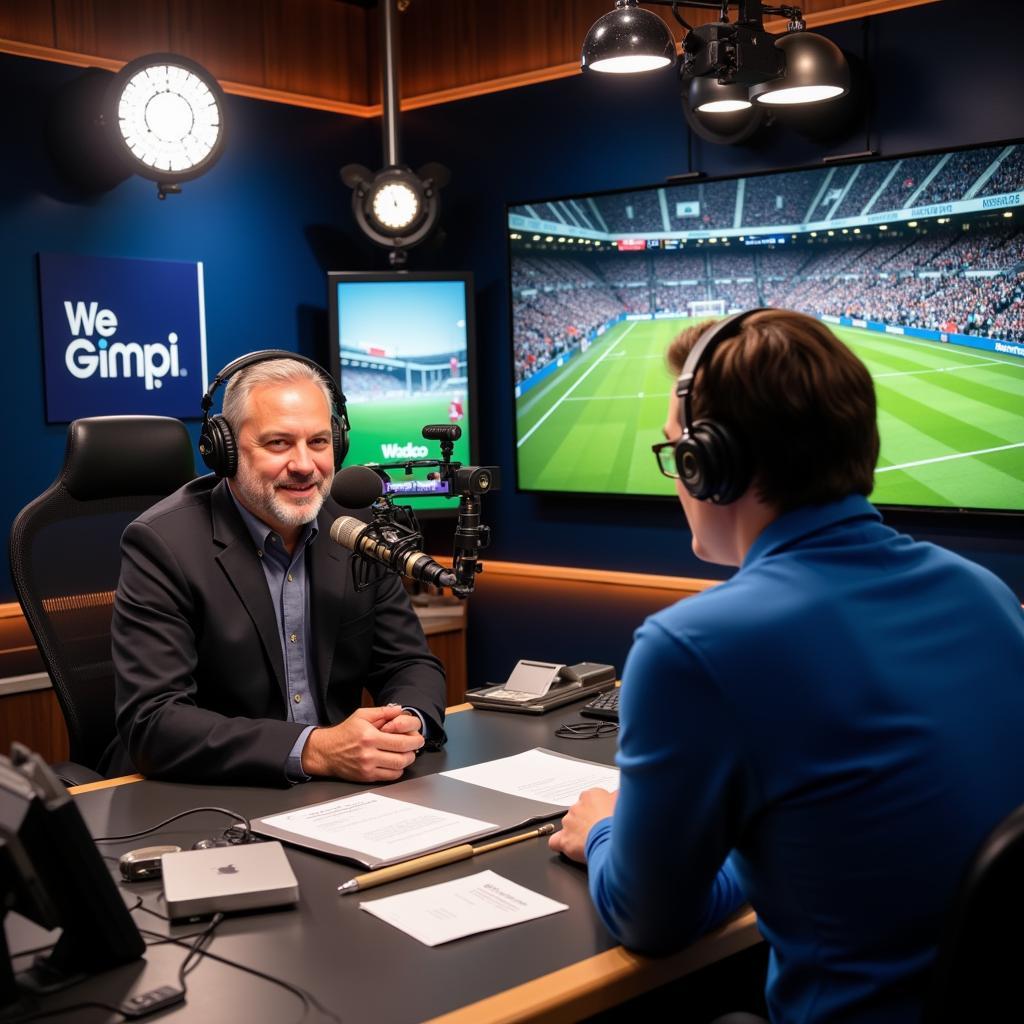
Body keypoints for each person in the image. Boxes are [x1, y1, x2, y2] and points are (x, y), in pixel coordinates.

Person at [550, 309, 1024, 1023]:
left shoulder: (695, 645)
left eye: (677, 450)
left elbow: (650, 921)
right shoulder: (986, 594)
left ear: (708, 464)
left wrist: (604, 831)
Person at [105, 352, 447, 787]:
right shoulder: (161, 544)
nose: (305, 465)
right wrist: (314, 749)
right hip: (212, 794)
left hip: (341, 793)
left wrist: (407, 723)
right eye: (278, 443)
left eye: (319, 442)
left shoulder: (357, 529)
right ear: (224, 451)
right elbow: (153, 722)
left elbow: (410, 664)